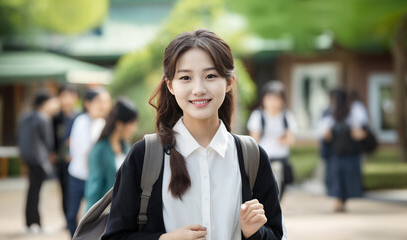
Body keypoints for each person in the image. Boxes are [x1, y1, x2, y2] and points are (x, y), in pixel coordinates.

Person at [102, 29, 286, 240]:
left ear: (229, 82)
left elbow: (276, 235)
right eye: (186, 77)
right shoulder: (144, 155)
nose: (198, 89)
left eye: (210, 76)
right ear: (170, 85)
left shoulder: (251, 156)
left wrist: (255, 233)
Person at [66, 87, 111, 237]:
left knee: (94, 214)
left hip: (95, 177)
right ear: (87, 103)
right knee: (72, 214)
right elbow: (79, 150)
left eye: (106, 101)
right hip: (77, 174)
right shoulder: (81, 121)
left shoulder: (106, 124)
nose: (103, 105)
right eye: (99, 101)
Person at [17, 90, 60, 233]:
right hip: (40, 160)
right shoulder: (43, 118)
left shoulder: (25, 117)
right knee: (35, 193)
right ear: (44, 103)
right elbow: (48, 142)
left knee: (32, 192)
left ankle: (30, 223)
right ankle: (36, 224)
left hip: (28, 158)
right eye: (51, 102)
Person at [85, 97, 138, 210]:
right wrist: (89, 221)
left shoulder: (126, 148)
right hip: (107, 215)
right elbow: (94, 190)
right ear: (119, 124)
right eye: (132, 124)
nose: (134, 129)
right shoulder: (100, 150)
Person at [247, 81, 297, 200]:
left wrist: (284, 140)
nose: (273, 102)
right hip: (264, 158)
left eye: (277, 98)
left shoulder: (286, 116)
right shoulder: (258, 116)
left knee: (281, 188)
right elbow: (254, 140)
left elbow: (291, 139)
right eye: (270, 98)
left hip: (281, 159)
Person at [319, 89, 366, 212]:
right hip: (337, 153)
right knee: (337, 178)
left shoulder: (353, 112)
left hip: (348, 153)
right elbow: (325, 135)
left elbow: (360, 133)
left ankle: (341, 201)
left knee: (345, 178)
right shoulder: (329, 113)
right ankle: (339, 201)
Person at [52, 84, 79, 220]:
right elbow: (51, 138)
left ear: (75, 98)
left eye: (70, 96)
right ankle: (68, 218)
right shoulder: (55, 118)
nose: (67, 99)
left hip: (76, 160)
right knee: (64, 189)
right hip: (61, 161)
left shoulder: (80, 116)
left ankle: (76, 218)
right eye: (64, 96)